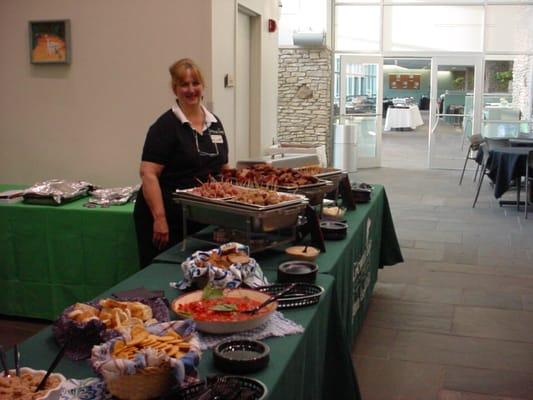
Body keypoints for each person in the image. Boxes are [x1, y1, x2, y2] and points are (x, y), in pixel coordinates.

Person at [134, 58, 229, 268]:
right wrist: (159, 218)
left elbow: (223, 170)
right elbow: (148, 174)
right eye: (184, 84)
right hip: (168, 219)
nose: (191, 89)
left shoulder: (215, 124)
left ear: (203, 86)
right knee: (164, 275)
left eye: (195, 83)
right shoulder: (165, 126)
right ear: (175, 89)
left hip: (200, 218)